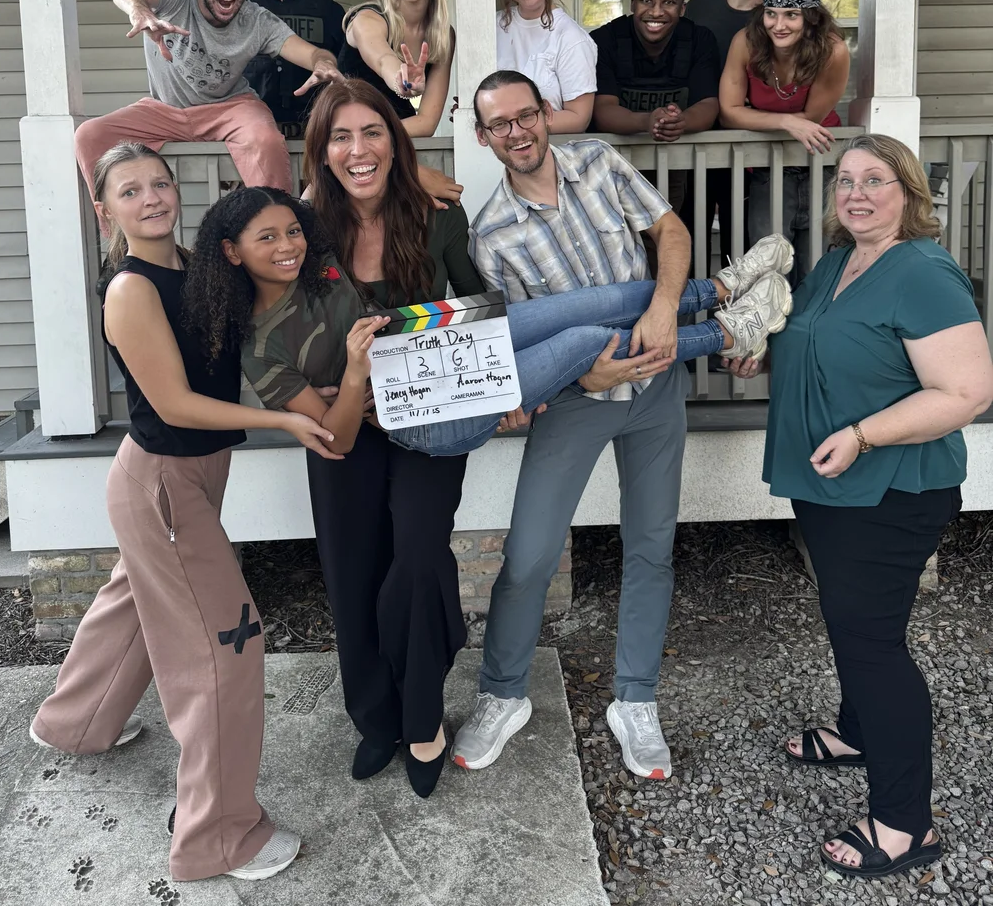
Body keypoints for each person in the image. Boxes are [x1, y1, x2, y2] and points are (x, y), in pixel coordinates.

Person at [184, 84, 791, 799]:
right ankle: (376, 719)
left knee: (425, 551)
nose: (358, 149)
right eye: (341, 137)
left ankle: (719, 296)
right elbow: (326, 399)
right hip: (367, 423)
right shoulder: (304, 238)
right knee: (353, 573)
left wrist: (507, 387)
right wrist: (358, 375)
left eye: (373, 133)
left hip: (450, 382)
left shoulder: (421, 216)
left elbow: (481, 304)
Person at [451, 70, 794, 780]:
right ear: (483, 137)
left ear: (545, 114)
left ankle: (635, 699)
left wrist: (666, 307)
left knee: (650, 548)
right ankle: (503, 693)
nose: (518, 132)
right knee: (529, 556)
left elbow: (669, 230)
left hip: (657, 384)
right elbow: (533, 350)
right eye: (500, 124)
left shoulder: (598, 161)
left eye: (526, 115)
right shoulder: (490, 237)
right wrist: (587, 378)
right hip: (578, 401)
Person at [28, 142, 338, 884]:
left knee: (136, 601)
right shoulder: (131, 289)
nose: (152, 198)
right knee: (225, 647)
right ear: (105, 211)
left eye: (160, 183)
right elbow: (174, 403)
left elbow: (278, 243)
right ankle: (218, 837)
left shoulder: (199, 266)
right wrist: (285, 419)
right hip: (163, 480)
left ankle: (73, 724)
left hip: (188, 476)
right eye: (130, 190)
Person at [724, 134, 993, 880]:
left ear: (908, 192)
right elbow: (817, 343)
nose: (857, 193)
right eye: (845, 180)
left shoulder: (924, 272)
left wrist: (863, 434)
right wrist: (759, 353)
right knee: (852, 620)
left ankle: (906, 823)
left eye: (876, 179)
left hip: (892, 488)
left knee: (872, 642)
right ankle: (857, 731)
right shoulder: (837, 262)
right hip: (829, 485)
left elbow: (967, 392)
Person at [73, 0, 344, 194]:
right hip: (166, 109)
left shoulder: (257, 20)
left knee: (266, 140)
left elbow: (312, 53)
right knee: (89, 136)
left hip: (231, 108)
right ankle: (113, 221)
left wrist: (323, 63)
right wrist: (139, 10)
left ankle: (277, 218)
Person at [719, 0, 850, 284]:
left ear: (810, 18)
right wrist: (788, 122)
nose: (779, 25)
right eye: (771, 13)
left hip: (821, 160)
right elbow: (729, 112)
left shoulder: (833, 50)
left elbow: (812, 120)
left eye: (791, 14)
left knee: (818, 265)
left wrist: (777, 120)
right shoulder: (746, 42)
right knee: (767, 263)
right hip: (767, 162)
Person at [682, 0, 802, 269]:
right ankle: (689, 300)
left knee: (741, 237)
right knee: (689, 229)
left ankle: (737, 302)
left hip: (746, 137)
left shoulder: (776, 16)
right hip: (694, 133)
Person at [338, 0, 461, 204]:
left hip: (387, 147)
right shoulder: (368, 18)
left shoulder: (443, 36)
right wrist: (402, 80)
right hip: (343, 140)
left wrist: (375, 139)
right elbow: (383, 59)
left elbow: (427, 122)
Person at [590, 0, 720, 212]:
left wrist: (680, 122)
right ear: (632, 4)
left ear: (682, 9)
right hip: (611, 168)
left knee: (672, 230)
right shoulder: (605, 40)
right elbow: (602, 110)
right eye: (646, 0)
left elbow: (708, 104)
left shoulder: (699, 40)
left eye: (668, 2)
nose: (656, 11)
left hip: (678, 167)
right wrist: (648, 121)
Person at [242, 0, 345, 138]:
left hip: (317, 137)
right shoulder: (241, 3)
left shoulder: (328, 9)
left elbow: (347, 73)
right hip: (251, 137)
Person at [496, 0, 597, 134]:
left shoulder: (571, 38)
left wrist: (514, 125)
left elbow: (578, 118)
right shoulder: (492, 26)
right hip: (490, 149)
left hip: (546, 150)